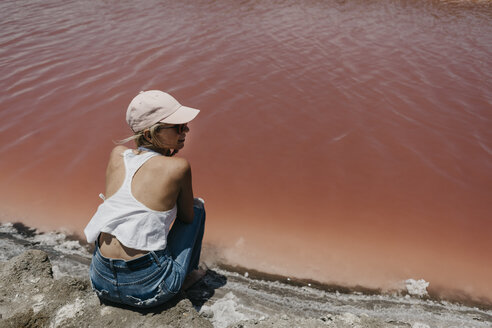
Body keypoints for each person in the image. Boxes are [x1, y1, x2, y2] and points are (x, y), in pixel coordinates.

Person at [84, 90, 206, 308]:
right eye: (178, 126)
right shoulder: (178, 167)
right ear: (150, 135)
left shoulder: (117, 154)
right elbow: (187, 218)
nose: (186, 130)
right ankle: (188, 275)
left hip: (100, 279)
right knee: (197, 209)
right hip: (148, 288)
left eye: (185, 125)